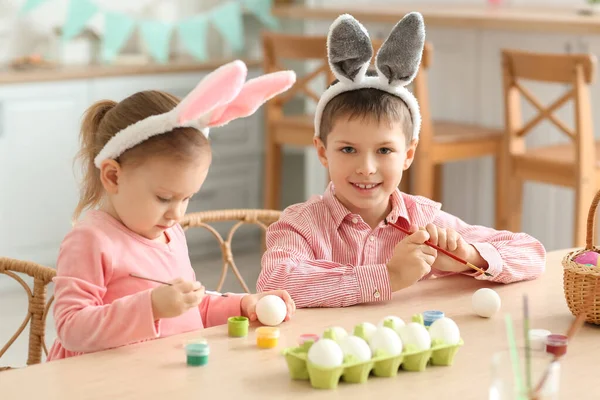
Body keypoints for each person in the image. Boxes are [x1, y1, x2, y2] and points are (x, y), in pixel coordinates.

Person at [257, 13, 545, 308]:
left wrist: (467, 256)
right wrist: (389, 276)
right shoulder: (301, 225)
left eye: (384, 151)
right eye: (348, 149)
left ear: (408, 154)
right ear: (322, 152)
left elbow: (531, 253)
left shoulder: (425, 220)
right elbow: (275, 282)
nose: (366, 168)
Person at [48, 61, 297, 360]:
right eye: (164, 198)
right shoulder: (91, 240)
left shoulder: (170, 233)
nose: (177, 214)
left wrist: (244, 305)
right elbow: (70, 328)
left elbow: (194, 307)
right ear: (113, 176)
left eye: (187, 198)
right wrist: (151, 307)